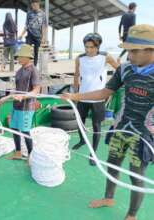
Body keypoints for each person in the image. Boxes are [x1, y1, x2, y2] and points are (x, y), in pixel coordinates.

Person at [61, 24, 154, 220]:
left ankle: (131, 215)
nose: (129, 56)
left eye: (134, 51)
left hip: (144, 134)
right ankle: (108, 197)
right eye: (127, 51)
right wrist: (76, 96)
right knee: (113, 164)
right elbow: (104, 92)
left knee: (136, 175)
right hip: (122, 127)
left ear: (150, 49)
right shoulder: (125, 69)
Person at [72, 33, 119, 166]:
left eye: (92, 47)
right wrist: (75, 93)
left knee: (96, 126)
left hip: (98, 98)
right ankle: (82, 140)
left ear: (97, 46)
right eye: (86, 47)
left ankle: (93, 153)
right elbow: (76, 75)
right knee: (79, 122)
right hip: (82, 96)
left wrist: (110, 87)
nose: (88, 50)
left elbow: (120, 70)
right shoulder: (79, 58)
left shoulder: (105, 57)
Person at [0, 44, 40, 160]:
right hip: (16, 106)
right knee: (14, 129)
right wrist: (4, 99)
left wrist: (24, 97)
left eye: (20, 56)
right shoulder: (19, 71)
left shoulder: (33, 70)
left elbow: (36, 90)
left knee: (25, 132)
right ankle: (18, 152)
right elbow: (15, 90)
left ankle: (31, 156)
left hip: (26, 107)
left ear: (27, 57)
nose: (18, 59)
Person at [19, 0, 47, 66]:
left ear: (38, 4)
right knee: (26, 50)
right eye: (32, 6)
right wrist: (21, 34)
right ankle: (25, 65)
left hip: (38, 36)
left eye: (35, 5)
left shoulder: (43, 14)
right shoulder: (29, 13)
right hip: (30, 35)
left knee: (36, 52)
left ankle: (34, 66)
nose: (33, 7)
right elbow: (26, 25)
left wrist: (43, 37)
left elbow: (44, 26)